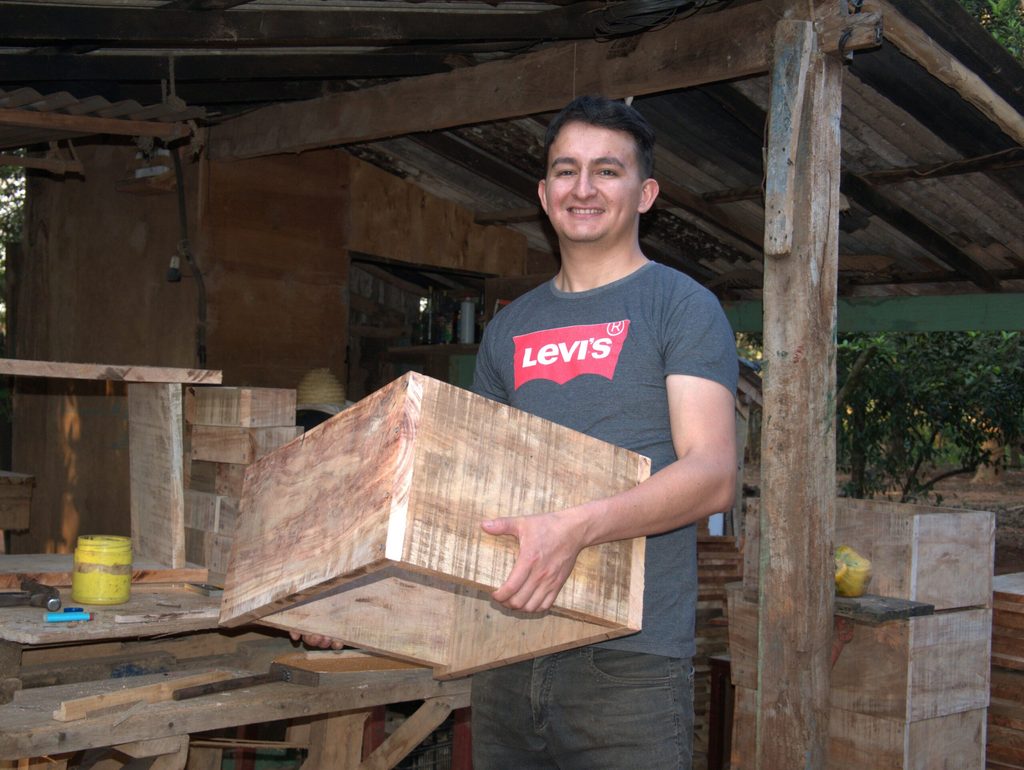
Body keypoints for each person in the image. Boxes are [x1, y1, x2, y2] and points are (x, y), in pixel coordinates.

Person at [468, 94, 738, 769]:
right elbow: (473, 485)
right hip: (504, 649)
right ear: (542, 191)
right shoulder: (507, 329)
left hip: (629, 665)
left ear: (645, 193)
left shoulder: (681, 307)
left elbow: (712, 475)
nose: (582, 188)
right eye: (566, 170)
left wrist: (577, 528)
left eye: (607, 171)